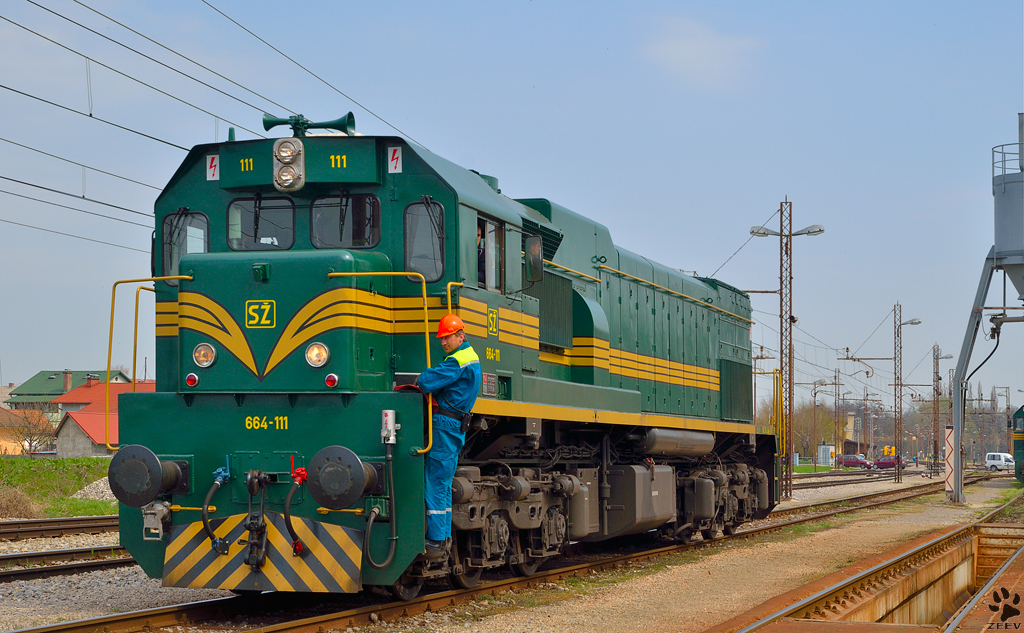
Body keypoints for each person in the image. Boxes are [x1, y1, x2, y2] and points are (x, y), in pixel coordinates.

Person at [415, 314, 481, 557]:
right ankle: (442, 537)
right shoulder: (470, 358)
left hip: (444, 425)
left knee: (435, 482)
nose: (444, 343)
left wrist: (423, 377)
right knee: (442, 484)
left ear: (460, 336)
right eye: (442, 339)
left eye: (448, 338)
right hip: (454, 427)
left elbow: (426, 381)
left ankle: (435, 540)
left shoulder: (457, 361)